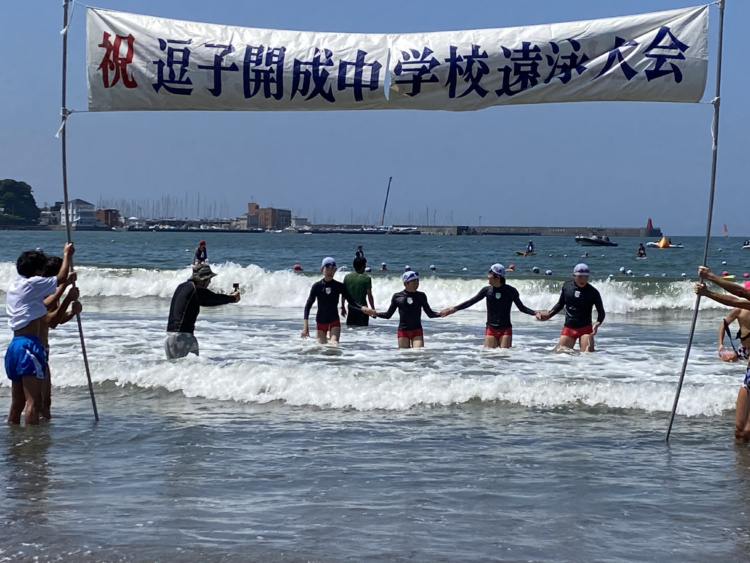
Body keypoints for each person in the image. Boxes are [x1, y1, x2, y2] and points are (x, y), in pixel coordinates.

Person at [5, 243, 76, 425]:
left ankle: (14, 440)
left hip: (14, 345)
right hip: (29, 345)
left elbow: (44, 306)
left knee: (17, 403)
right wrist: (67, 254)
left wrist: (66, 293)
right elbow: (60, 277)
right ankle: (31, 446)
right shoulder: (33, 283)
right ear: (37, 271)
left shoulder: (16, 285)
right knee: (34, 402)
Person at [695, 267, 750, 440]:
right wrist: (708, 293)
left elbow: (739, 292)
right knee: (740, 431)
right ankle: (741, 464)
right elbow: (734, 300)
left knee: (747, 431)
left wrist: (710, 277)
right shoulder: (743, 308)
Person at [441, 264, 538, 348]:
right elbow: (471, 302)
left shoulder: (511, 291)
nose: (487, 276)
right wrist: (453, 309)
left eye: (490, 274)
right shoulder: (487, 291)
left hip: (505, 329)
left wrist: (535, 313)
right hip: (491, 328)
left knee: (504, 357)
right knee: (489, 357)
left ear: (497, 277)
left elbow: (521, 308)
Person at [165, 264, 240, 359]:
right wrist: (233, 298)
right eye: (209, 279)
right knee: (190, 370)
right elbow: (214, 298)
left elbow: (207, 301)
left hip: (170, 336)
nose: (209, 282)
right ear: (203, 279)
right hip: (183, 337)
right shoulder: (196, 289)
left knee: (176, 370)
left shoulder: (183, 287)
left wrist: (229, 298)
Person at [39, 255, 82, 419]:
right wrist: (67, 299)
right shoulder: (44, 294)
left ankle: (41, 434)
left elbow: (57, 319)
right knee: (38, 401)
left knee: (45, 401)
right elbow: (51, 321)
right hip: (36, 348)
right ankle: (33, 436)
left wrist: (71, 312)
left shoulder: (52, 294)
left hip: (43, 349)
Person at [302, 257, 376, 344]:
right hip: (321, 322)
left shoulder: (339, 286)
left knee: (334, 346)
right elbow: (308, 306)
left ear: (335, 270)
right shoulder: (317, 286)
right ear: (322, 269)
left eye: (332, 269)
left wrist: (364, 309)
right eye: (327, 268)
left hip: (334, 321)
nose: (330, 271)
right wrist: (305, 326)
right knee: (321, 349)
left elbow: (351, 302)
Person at [538, 263, 605, 352]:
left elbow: (601, 312)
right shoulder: (567, 287)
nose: (583, 280)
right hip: (569, 327)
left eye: (586, 277)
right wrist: (548, 315)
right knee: (560, 355)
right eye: (580, 277)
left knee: (588, 354)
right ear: (574, 276)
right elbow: (560, 304)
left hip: (585, 329)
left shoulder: (593, 292)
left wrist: (597, 324)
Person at [377, 271, 440, 348]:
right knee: (404, 356)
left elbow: (430, 314)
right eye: (413, 281)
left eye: (417, 281)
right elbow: (388, 315)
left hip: (417, 330)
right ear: (405, 283)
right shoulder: (397, 296)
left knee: (418, 354)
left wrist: (442, 313)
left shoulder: (421, 296)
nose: (416, 283)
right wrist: (376, 313)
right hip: (403, 331)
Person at [341, 257, 375, 327]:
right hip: (363, 309)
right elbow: (369, 296)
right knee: (363, 332)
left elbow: (343, 294)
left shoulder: (347, 277)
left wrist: (343, 307)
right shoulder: (367, 279)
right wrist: (372, 309)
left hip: (351, 308)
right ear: (363, 266)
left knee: (351, 331)